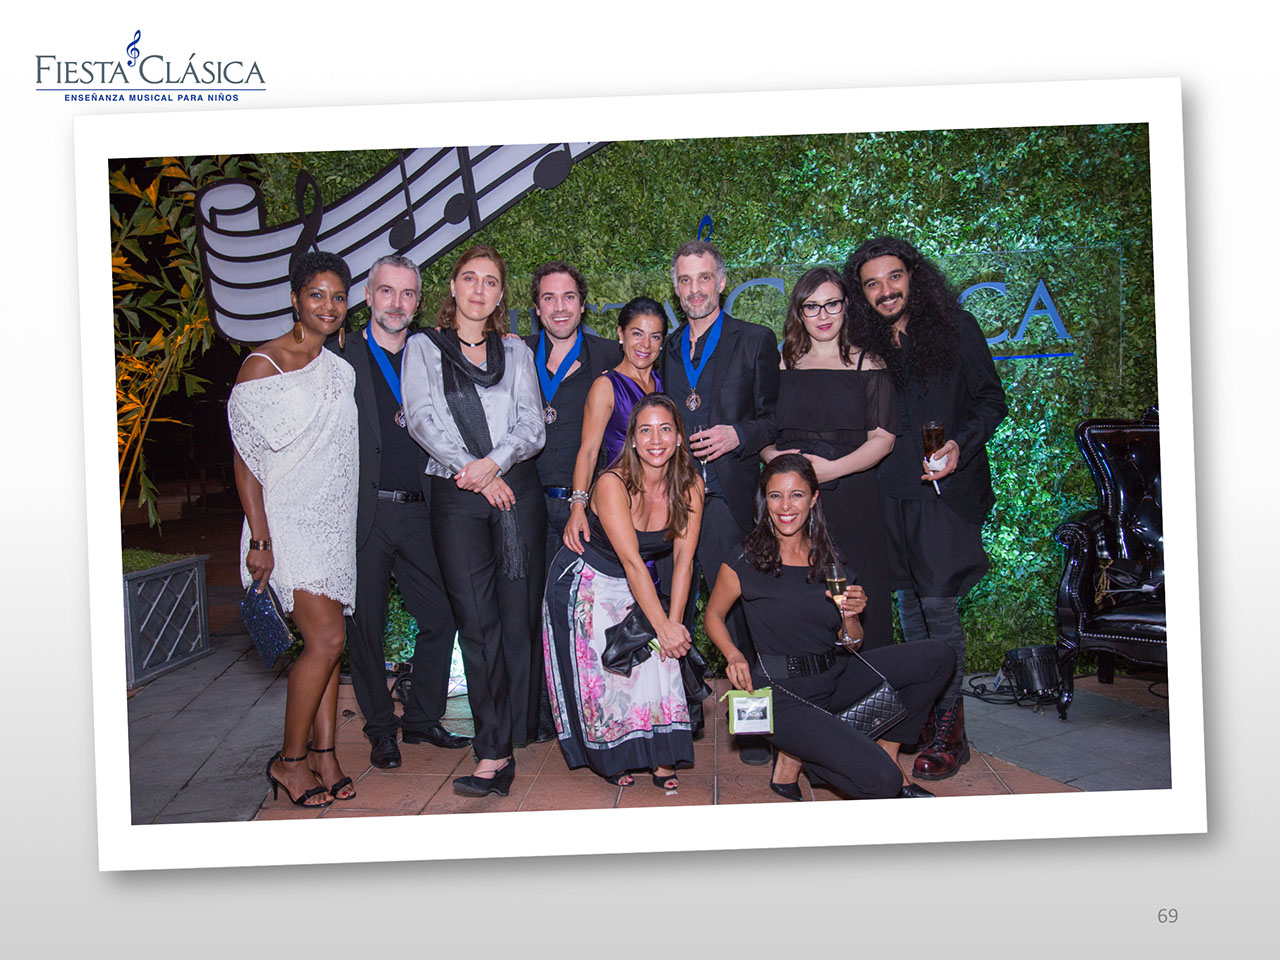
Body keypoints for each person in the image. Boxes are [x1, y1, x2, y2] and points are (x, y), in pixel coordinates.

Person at [843, 236, 1008, 781]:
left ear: (913, 276)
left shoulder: (957, 328)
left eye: (893, 277)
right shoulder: (863, 345)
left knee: (938, 608)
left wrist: (961, 444)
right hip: (888, 492)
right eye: (872, 284)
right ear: (861, 294)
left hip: (945, 492)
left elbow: (992, 401)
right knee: (910, 610)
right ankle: (928, 715)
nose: (885, 290)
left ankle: (950, 731)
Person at [704, 455, 951, 800]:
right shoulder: (746, 559)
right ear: (765, 500)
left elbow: (852, 642)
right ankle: (812, 758)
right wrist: (733, 655)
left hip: (833, 678)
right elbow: (713, 615)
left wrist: (851, 615)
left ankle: (885, 751)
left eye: (797, 495)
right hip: (782, 694)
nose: (785, 506)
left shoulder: (830, 559)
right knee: (883, 783)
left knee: (938, 656)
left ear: (813, 499)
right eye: (775, 495)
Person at [401, 244, 546, 797]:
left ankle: (508, 737)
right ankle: (493, 752)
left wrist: (495, 464)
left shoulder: (518, 352)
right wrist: (477, 472)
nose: (479, 289)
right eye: (469, 278)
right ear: (453, 287)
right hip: (457, 497)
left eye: (490, 281)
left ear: (501, 294)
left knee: (514, 623)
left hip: (516, 495)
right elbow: (422, 420)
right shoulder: (423, 348)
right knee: (477, 625)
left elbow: (532, 424)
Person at [325, 253, 470, 772]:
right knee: (366, 625)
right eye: (386, 291)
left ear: (418, 301)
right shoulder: (339, 357)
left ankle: (423, 718)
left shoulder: (431, 352)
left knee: (442, 615)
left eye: (408, 293)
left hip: (420, 511)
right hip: (364, 514)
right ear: (368, 296)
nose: (396, 303)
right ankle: (381, 729)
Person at [229, 251, 358, 808]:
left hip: (332, 523)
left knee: (331, 642)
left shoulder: (341, 369)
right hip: (285, 524)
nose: (329, 306)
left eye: (338, 296)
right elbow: (246, 460)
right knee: (325, 640)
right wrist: (260, 540)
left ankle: (326, 755)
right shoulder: (265, 364)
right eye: (316, 295)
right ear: (295, 299)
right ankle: (291, 760)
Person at [543, 393, 704, 789]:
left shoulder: (691, 486)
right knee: (607, 680)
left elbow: (684, 561)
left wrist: (673, 627)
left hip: (634, 583)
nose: (655, 440)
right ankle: (612, 757)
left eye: (665, 429)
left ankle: (663, 756)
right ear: (632, 439)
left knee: (658, 661)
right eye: (645, 430)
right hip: (586, 582)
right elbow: (632, 562)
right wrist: (662, 627)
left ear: (679, 437)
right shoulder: (612, 483)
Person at [659, 240, 779, 765]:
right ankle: (681, 712)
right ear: (675, 287)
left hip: (730, 498)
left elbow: (774, 419)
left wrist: (739, 435)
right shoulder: (665, 348)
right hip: (675, 502)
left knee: (741, 614)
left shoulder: (755, 340)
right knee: (674, 610)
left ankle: (752, 728)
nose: (695, 290)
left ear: (722, 282)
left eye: (704, 278)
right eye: (685, 280)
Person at [762, 266, 898, 650]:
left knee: (860, 592)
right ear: (799, 312)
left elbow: (883, 439)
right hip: (791, 505)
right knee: (795, 594)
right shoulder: (780, 363)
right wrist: (777, 462)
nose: (823, 315)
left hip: (853, 500)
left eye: (831, 304)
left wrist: (832, 470)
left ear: (846, 306)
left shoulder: (869, 364)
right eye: (812, 306)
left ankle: (871, 682)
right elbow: (761, 430)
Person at [524, 262, 620, 742]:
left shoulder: (610, 356)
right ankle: (543, 716)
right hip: (526, 507)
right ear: (536, 307)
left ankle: (591, 714)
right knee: (532, 614)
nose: (559, 307)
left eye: (568, 297)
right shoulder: (516, 355)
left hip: (588, 509)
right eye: (548, 298)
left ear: (582, 304)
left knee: (587, 618)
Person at [562, 295, 667, 551]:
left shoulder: (663, 383)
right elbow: (588, 451)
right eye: (637, 333)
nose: (645, 344)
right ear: (621, 334)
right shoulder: (606, 386)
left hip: (661, 508)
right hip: (621, 504)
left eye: (654, 336)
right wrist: (578, 506)